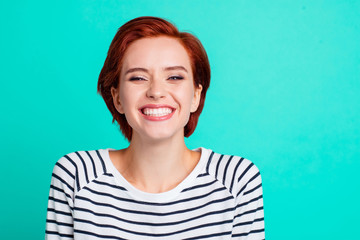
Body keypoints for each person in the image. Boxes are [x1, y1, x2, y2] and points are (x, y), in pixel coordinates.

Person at [46, 16, 265, 239]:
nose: (156, 91)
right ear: (117, 98)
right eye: (138, 78)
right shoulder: (76, 175)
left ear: (196, 96)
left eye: (174, 76)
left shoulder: (236, 179)